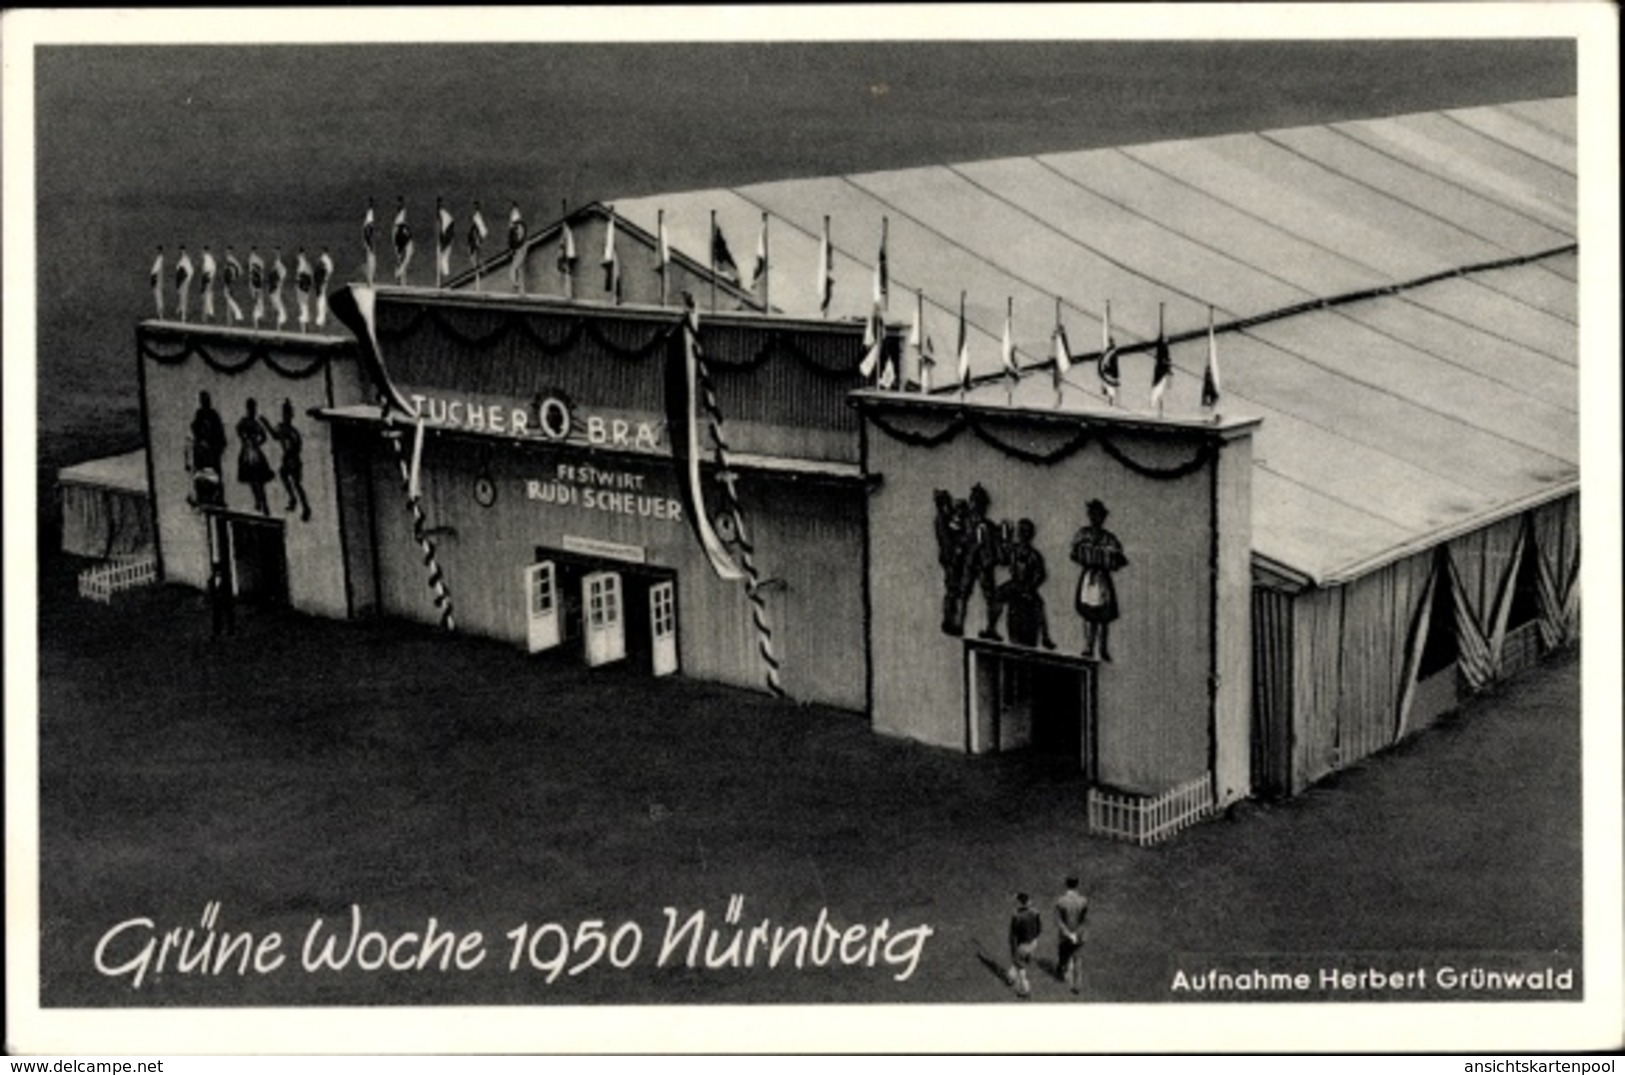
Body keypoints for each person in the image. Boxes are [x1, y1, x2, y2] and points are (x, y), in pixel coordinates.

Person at [1071, 498, 1127, 661]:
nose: (1096, 518)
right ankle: (1088, 646)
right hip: (1089, 576)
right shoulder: (1083, 534)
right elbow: (1074, 553)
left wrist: (1110, 559)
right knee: (1088, 613)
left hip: (1102, 577)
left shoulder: (1109, 538)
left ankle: (1102, 648)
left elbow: (1119, 559)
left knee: (1103, 615)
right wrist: (1085, 555)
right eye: (1093, 515)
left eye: (1099, 515)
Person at [987, 518, 1057, 649]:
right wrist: (1000, 543)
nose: (1021, 535)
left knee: (1038, 605)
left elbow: (1040, 574)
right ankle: (991, 627)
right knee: (996, 595)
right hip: (1015, 583)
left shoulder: (1033, 555)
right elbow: (1003, 560)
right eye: (1020, 532)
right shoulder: (1014, 550)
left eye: (1024, 532)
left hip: (1027, 585)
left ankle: (1045, 637)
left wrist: (1030, 587)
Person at [261, 398, 311, 521]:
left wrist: (291, 455)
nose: (285, 417)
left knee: (296, 483)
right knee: (284, 476)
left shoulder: (292, 432)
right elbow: (275, 435)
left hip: (293, 459)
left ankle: (305, 507)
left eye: (287, 414)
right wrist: (266, 423)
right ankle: (293, 499)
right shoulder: (283, 428)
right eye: (284, 414)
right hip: (288, 458)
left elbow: (296, 444)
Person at [187, 390, 228, 509]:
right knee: (202, 474)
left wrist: (218, 446)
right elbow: (195, 428)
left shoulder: (213, 414)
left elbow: (219, 432)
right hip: (203, 452)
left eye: (206, 399)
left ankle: (218, 497)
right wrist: (200, 440)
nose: (205, 402)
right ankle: (203, 497)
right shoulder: (199, 414)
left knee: (216, 475)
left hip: (212, 451)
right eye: (203, 400)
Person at [236, 398, 275, 516]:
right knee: (252, 479)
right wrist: (245, 439)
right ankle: (259, 501)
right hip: (248, 452)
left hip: (254, 452)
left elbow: (263, 436)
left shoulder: (255, 423)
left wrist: (256, 442)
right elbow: (239, 430)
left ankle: (263, 503)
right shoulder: (245, 421)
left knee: (258, 479)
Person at [1055, 873, 1089, 995]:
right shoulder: (1084, 901)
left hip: (1064, 936)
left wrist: (1069, 934)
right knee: (1077, 959)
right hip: (1080, 936)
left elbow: (1058, 921)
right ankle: (1077, 986)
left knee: (1063, 954)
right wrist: (1076, 933)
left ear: (1066, 884)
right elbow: (1084, 920)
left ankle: (1063, 973)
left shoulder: (1061, 901)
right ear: (1077, 884)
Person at [1006, 892, 1042, 999]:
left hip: (1022, 945)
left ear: (1019, 903)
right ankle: (1010, 977)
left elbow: (1013, 936)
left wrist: (1013, 950)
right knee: (1018, 962)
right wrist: (1034, 938)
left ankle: (1025, 990)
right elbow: (1040, 929)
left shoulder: (1016, 916)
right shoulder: (1035, 912)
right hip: (1033, 942)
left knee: (1020, 967)